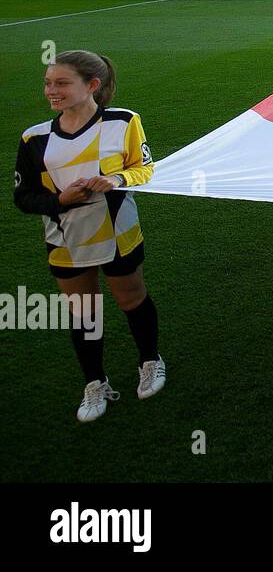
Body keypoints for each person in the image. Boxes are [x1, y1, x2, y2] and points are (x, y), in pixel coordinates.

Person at [13, 51, 165, 422]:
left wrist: (115, 180)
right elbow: (23, 197)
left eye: (61, 83)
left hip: (118, 232)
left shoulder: (124, 122)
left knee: (131, 299)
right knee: (83, 312)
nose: (51, 90)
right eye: (49, 82)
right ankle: (95, 382)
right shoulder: (34, 139)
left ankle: (150, 360)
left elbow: (144, 169)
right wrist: (60, 200)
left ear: (92, 85)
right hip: (65, 239)